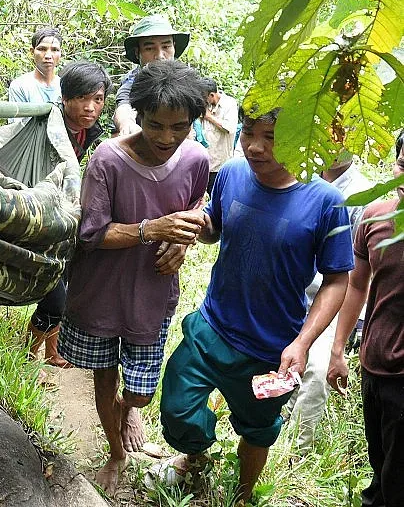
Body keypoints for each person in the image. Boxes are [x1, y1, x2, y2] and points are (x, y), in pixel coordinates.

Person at [157, 109, 353, 504]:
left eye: (272, 137)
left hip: (271, 348)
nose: (254, 146)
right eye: (248, 132)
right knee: (177, 410)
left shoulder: (326, 202)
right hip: (212, 326)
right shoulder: (231, 172)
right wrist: (195, 226)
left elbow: (337, 280)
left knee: (258, 430)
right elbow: (216, 224)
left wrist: (302, 343)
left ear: (299, 136)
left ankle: (243, 496)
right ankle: (195, 457)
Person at [57, 59, 210, 494]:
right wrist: (151, 229)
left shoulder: (196, 158)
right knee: (103, 374)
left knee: (141, 392)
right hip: (100, 291)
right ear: (137, 116)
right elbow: (89, 234)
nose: (166, 137)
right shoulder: (107, 159)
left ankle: (128, 411)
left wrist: (183, 237)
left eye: (178, 127)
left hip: (153, 293)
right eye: (155, 125)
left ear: (191, 123)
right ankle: (116, 454)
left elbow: (197, 203)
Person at [328, 131, 404, 507]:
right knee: (380, 463)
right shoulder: (375, 217)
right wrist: (338, 350)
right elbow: (356, 285)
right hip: (373, 365)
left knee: (396, 477)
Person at [20, 60, 112, 370]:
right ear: (65, 98)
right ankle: (31, 357)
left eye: (97, 99)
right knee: (55, 295)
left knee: (65, 287)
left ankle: (53, 350)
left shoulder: (88, 133)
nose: (90, 107)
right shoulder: (47, 124)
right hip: (41, 214)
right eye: (82, 98)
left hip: (66, 218)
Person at [284, 152, 371, 452]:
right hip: (290, 288)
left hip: (331, 298)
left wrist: (340, 342)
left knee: (317, 373)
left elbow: (358, 276)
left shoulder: (362, 195)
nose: (334, 142)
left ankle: (295, 453)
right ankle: (269, 434)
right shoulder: (297, 174)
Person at [112, 14, 190, 136]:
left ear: (174, 47)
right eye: (149, 48)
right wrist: (127, 124)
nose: (159, 55)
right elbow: (125, 106)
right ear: (138, 53)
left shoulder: (185, 78)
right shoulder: (133, 80)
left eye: (166, 46)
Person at [199, 77, 239, 193]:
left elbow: (229, 128)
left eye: (204, 97)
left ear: (212, 95)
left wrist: (209, 117)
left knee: (217, 195)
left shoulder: (229, 104)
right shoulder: (206, 105)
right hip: (205, 163)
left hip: (220, 165)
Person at [8, 27, 64, 105]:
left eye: (54, 50)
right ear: (32, 52)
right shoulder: (20, 86)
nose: (48, 55)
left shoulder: (65, 87)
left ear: (60, 53)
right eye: (42, 49)